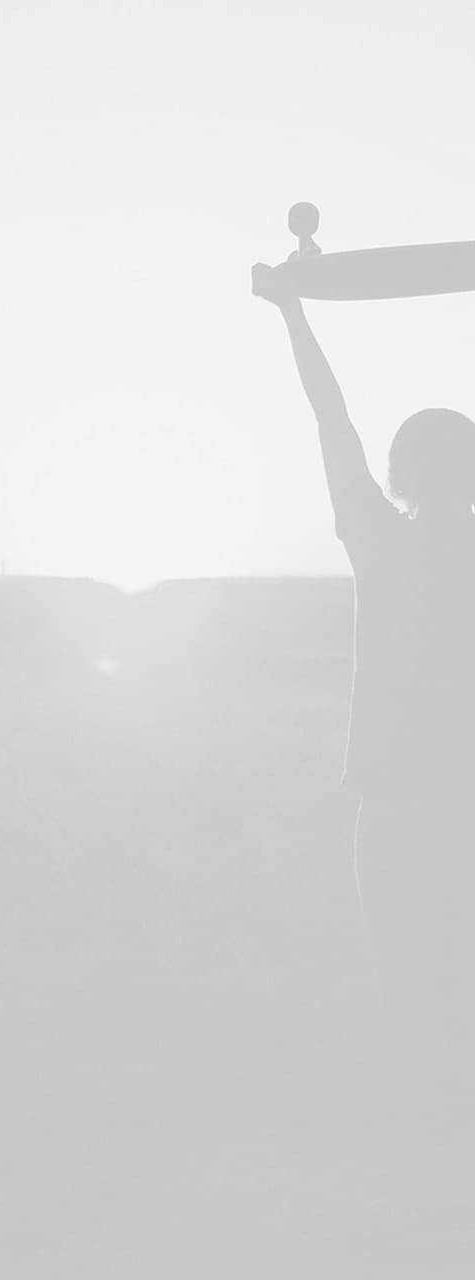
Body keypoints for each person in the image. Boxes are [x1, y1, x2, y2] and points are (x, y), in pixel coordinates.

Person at [253, 263, 475, 1144]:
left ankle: (424, 1139)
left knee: (407, 983)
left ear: (399, 472)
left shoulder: (380, 542)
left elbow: (331, 418)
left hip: (394, 799)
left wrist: (293, 314)